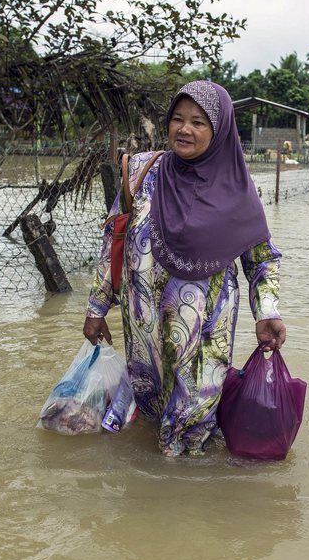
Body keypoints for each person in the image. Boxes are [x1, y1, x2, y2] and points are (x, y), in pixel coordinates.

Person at [83, 80, 287, 457]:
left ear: (220, 129)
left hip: (206, 331)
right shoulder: (143, 172)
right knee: (151, 417)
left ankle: (187, 506)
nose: (185, 129)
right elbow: (113, 240)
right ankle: (152, 506)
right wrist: (97, 308)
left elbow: (260, 259)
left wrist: (267, 312)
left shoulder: (239, 188)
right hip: (144, 328)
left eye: (198, 121)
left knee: (192, 428)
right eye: (177, 119)